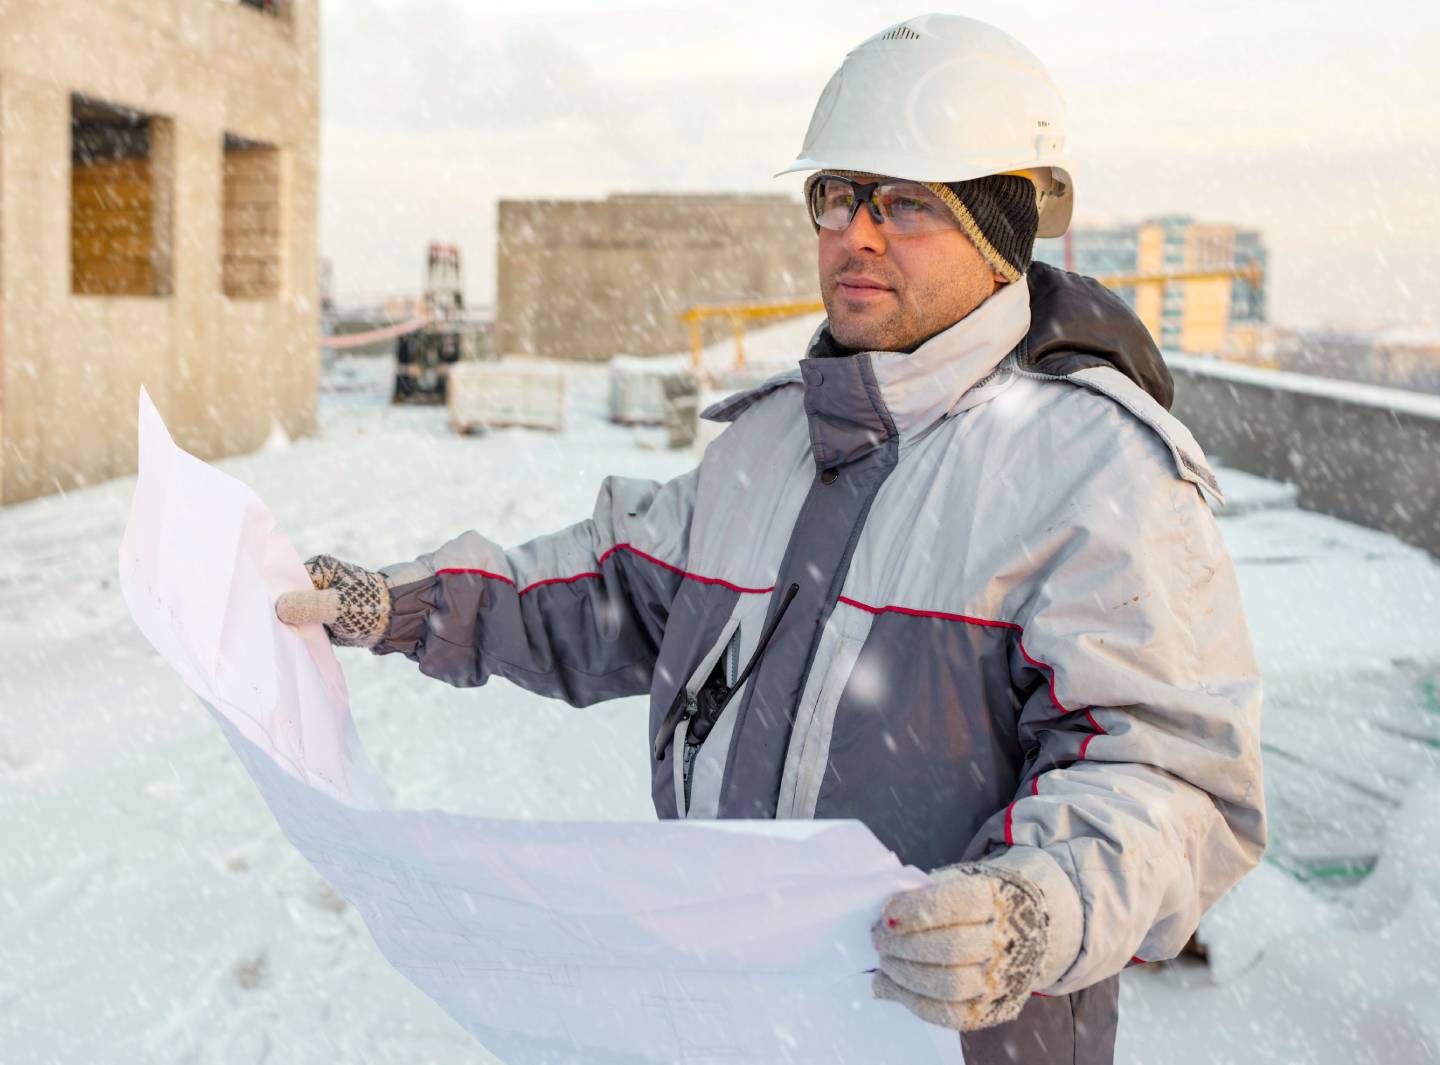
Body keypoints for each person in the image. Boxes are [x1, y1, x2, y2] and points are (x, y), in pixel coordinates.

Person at [277, 15, 1264, 1064]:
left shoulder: (1098, 473)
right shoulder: (773, 439)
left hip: (957, 1043)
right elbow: (608, 586)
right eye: (837, 196)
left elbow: (1169, 778)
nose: (856, 235)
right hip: (733, 1021)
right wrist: (405, 603)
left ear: (999, 230)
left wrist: (1034, 909)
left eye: (905, 202)